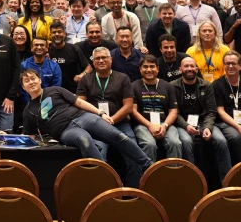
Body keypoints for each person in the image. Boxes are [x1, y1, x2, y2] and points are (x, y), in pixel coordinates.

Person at [21, 68, 152, 186]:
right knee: (85, 140)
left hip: (83, 117)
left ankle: (149, 165)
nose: (31, 82)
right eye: (27, 81)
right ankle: (111, 181)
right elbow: (29, 137)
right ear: (23, 87)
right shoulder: (28, 111)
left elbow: (79, 102)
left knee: (118, 135)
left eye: (33, 78)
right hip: (66, 131)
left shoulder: (55, 90)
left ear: (39, 80)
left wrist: (100, 113)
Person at [171, 55, 232, 182]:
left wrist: (208, 128)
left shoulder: (206, 85)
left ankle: (227, 180)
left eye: (192, 66)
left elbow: (211, 111)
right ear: (180, 69)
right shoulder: (173, 86)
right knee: (187, 142)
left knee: (221, 140)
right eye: (186, 66)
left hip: (204, 122)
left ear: (197, 69)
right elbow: (174, 113)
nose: (189, 68)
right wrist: (186, 126)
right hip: (183, 124)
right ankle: (192, 180)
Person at [76, 48, 135, 147]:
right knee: (99, 149)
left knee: (132, 147)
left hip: (120, 123)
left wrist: (111, 120)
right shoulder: (85, 79)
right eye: (97, 58)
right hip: (94, 124)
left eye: (104, 57)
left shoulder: (123, 78)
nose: (101, 61)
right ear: (93, 62)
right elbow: (81, 104)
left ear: (111, 59)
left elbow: (128, 106)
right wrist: (100, 122)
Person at [131, 55, 184, 161]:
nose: (149, 70)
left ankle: (173, 176)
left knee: (175, 143)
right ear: (140, 69)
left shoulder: (167, 86)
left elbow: (173, 111)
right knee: (149, 144)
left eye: (152, 66)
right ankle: (149, 176)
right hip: (143, 124)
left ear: (158, 68)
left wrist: (164, 126)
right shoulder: (133, 86)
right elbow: (133, 111)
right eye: (145, 67)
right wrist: (149, 125)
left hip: (164, 123)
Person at [48, 21, 91, 93]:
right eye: (54, 32)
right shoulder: (47, 49)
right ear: (50, 35)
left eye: (59, 32)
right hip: (52, 90)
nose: (57, 34)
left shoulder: (74, 48)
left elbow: (89, 67)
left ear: (65, 34)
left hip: (72, 90)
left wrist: (82, 75)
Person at [20, 37, 62, 101]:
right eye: (36, 45)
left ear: (47, 48)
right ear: (31, 48)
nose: (39, 47)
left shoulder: (54, 66)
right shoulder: (24, 65)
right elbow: (22, 89)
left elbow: (56, 88)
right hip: (29, 103)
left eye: (42, 45)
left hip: (49, 102)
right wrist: (30, 104)